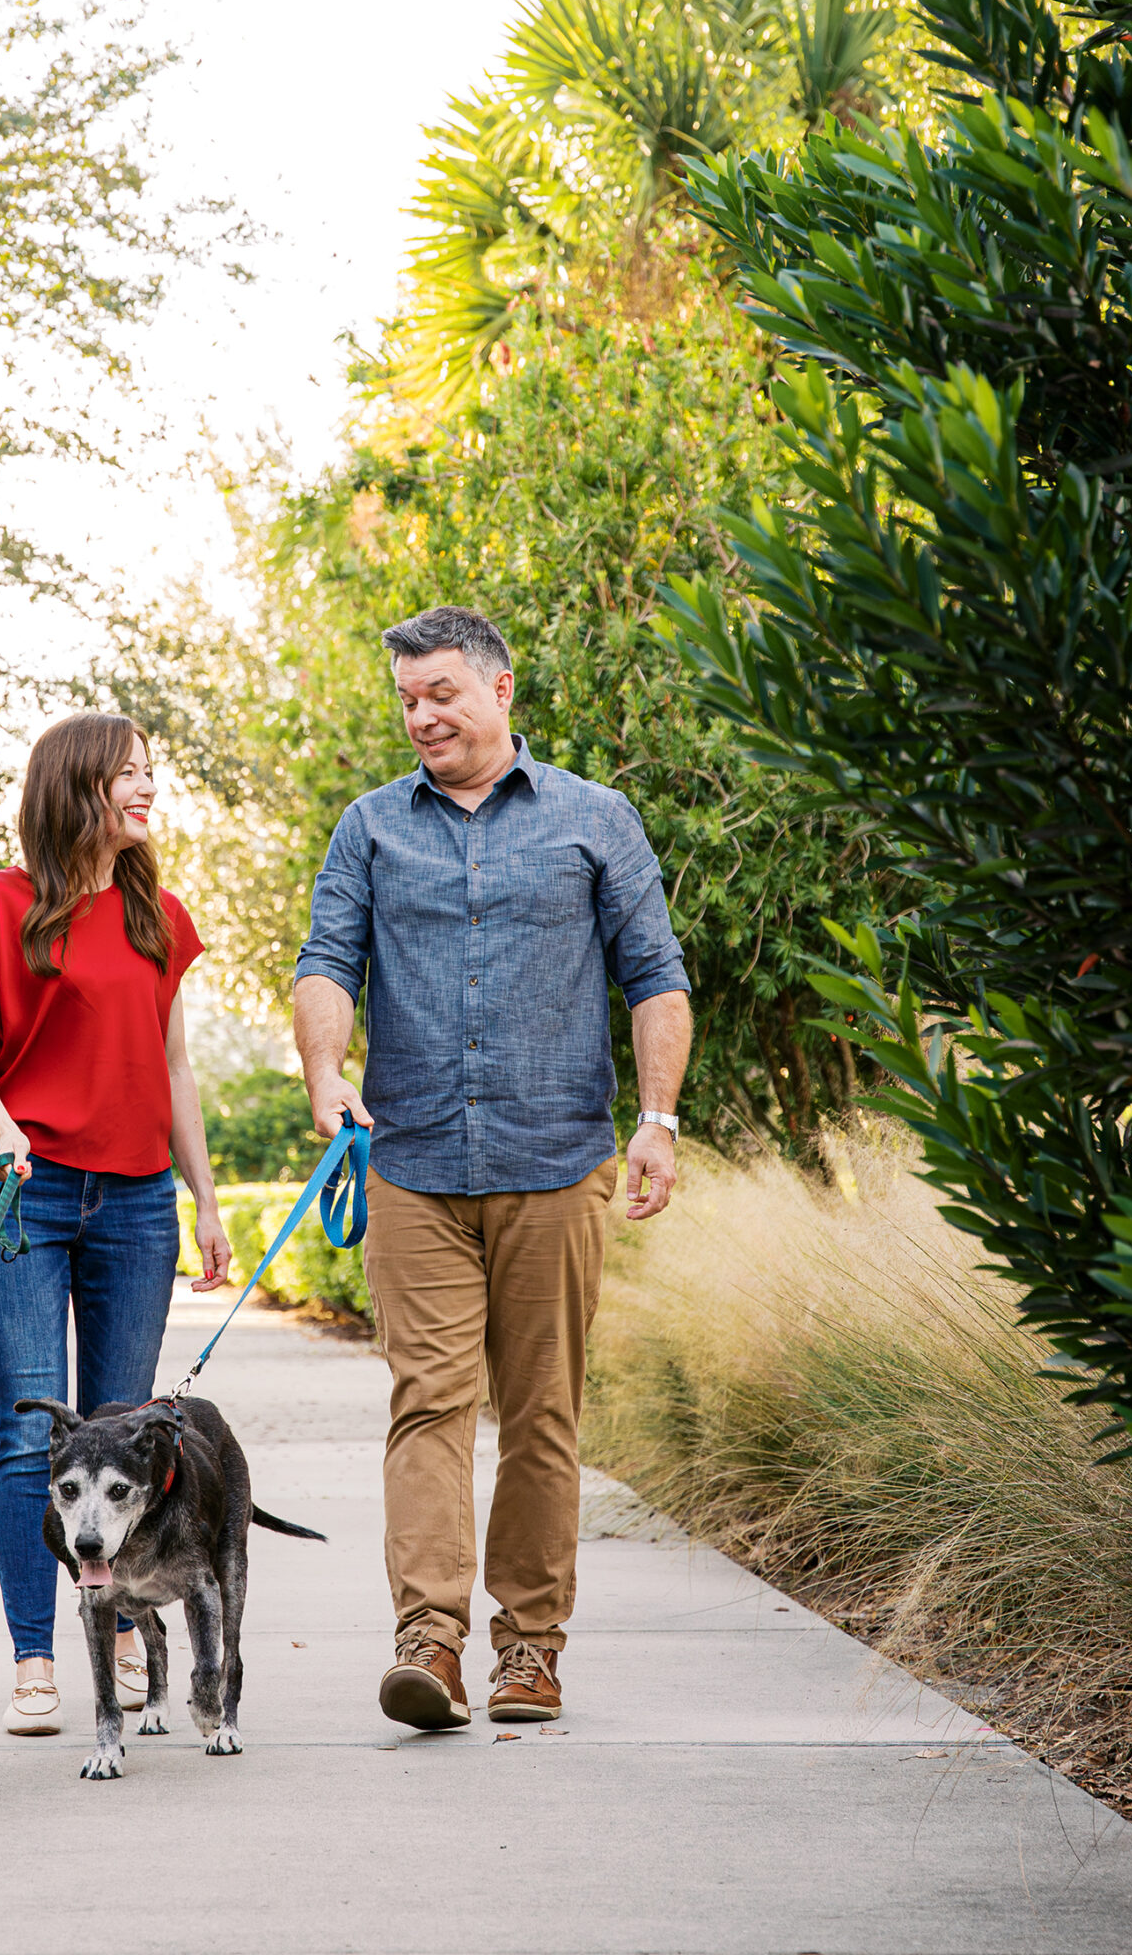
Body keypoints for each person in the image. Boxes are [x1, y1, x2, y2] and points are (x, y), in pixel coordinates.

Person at [293, 604, 690, 1730]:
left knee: (542, 1415)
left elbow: (656, 976)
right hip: (412, 1164)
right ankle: (430, 1641)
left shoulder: (595, 819)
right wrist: (328, 1072)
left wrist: (656, 1119)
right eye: (408, 699)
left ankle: (530, 1649)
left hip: (558, 1160)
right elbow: (327, 962)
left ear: (500, 690)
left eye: (441, 695)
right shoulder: (370, 828)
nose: (421, 716)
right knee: (427, 1404)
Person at [0, 711, 230, 1738]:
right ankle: (33, 1657)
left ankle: (110, 1627)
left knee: (127, 1436)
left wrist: (205, 1198)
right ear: (77, 788)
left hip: (140, 1201)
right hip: (27, 1190)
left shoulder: (159, 918)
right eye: (131, 775)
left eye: (153, 772)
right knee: (32, 1440)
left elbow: (175, 1069)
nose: (149, 791)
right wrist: (5, 1129)